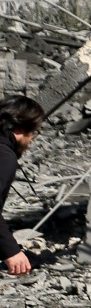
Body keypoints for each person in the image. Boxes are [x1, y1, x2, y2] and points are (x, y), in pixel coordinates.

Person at [0, 97, 45, 277]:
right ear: (20, 129)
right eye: (32, 132)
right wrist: (11, 251)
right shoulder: (4, 157)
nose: (31, 138)